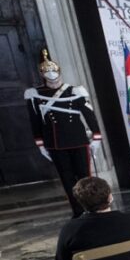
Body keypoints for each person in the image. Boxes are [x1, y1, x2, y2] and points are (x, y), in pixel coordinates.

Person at [25, 49, 102, 217]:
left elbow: (89, 115)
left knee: (85, 177)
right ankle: (78, 211)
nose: (53, 79)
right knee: (67, 180)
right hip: (55, 143)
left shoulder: (74, 91)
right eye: (48, 74)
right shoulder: (35, 94)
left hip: (78, 139)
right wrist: (40, 144)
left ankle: (92, 208)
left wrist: (96, 137)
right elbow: (35, 121)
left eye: (55, 74)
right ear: (43, 76)